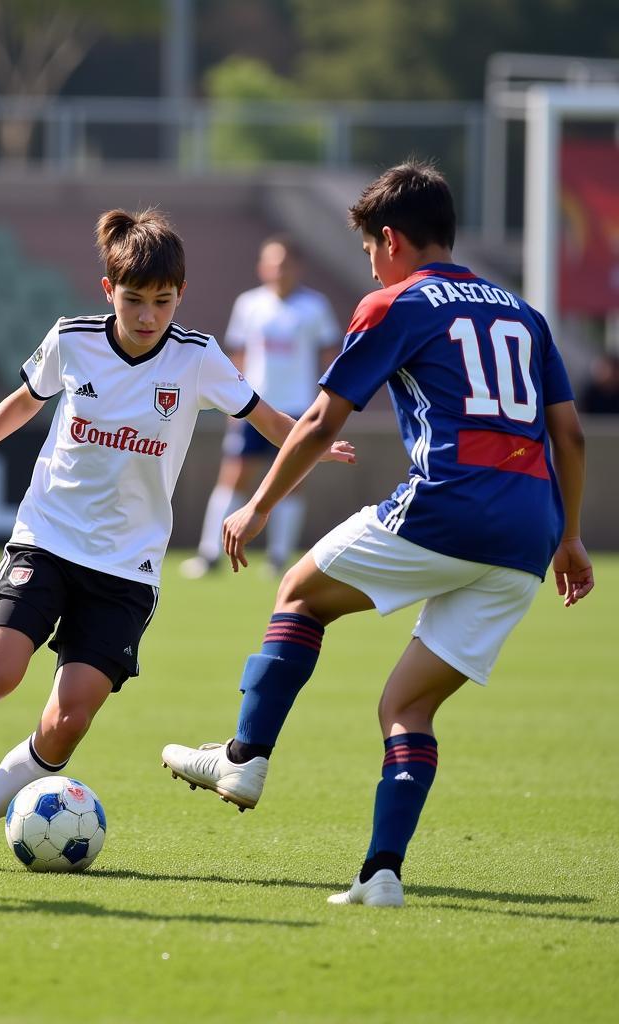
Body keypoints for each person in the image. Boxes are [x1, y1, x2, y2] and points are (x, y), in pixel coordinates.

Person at [0, 208, 355, 870]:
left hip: (127, 564)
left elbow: (264, 417)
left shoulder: (197, 357)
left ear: (181, 296)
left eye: (163, 301)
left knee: (70, 719)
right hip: (48, 537)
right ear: (106, 289)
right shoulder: (73, 340)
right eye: (134, 299)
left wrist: (311, 445)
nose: (148, 315)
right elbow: (22, 402)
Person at [161, 161, 593, 907]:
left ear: (390, 240)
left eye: (368, 249)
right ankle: (380, 873)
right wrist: (571, 538)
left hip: (447, 503)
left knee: (298, 594)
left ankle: (244, 757)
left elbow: (325, 417)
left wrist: (257, 506)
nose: (369, 262)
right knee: (406, 708)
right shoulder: (525, 313)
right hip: (529, 531)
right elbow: (571, 438)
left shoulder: (395, 303)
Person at [180, 236, 340, 579]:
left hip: (298, 407)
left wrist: (324, 407)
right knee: (234, 475)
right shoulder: (249, 304)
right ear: (262, 267)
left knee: (292, 481)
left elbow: (330, 358)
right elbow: (238, 356)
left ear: (297, 267)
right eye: (271, 262)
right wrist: (231, 403)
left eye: (284, 263)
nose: (277, 270)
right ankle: (210, 555)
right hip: (254, 407)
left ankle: (279, 558)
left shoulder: (315, 307)